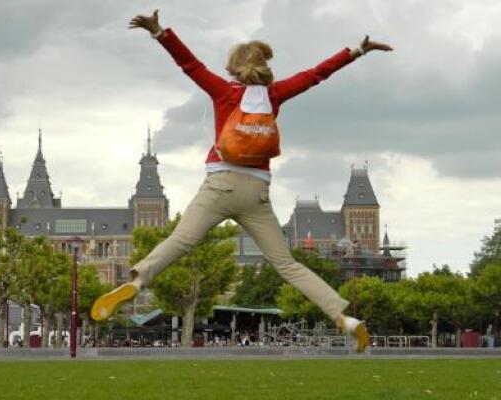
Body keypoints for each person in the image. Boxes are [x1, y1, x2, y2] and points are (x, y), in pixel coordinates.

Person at [91, 9, 393, 353]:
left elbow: (189, 65)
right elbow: (315, 75)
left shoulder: (224, 93)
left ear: (234, 68)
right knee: (287, 265)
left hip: (220, 185)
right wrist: (356, 51)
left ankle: (137, 279)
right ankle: (344, 318)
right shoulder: (274, 95)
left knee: (180, 240)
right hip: (257, 194)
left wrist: (160, 32)